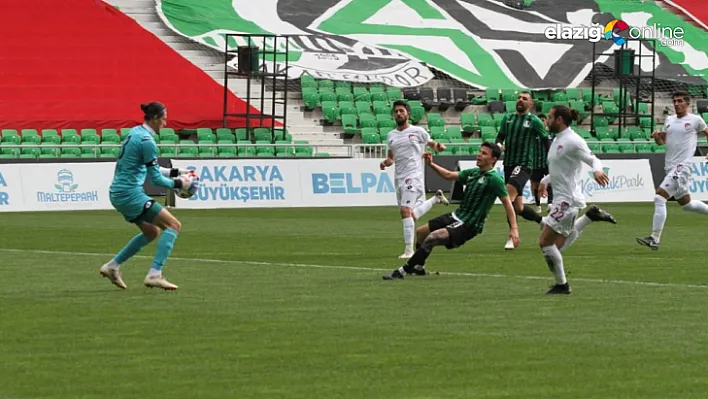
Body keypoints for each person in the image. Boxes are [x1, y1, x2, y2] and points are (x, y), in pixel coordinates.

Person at [383, 142, 520, 280]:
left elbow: (508, 204)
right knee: (421, 233)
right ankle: (419, 267)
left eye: (484, 153)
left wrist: (513, 229)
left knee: (433, 237)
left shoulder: (495, 180)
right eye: (479, 151)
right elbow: (448, 175)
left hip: (469, 224)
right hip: (456, 215)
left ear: (493, 160)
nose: (479, 155)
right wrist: (431, 164)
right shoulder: (473, 172)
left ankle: (402, 271)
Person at [99, 102, 198, 291]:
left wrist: (177, 171)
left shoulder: (136, 133)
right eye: (164, 119)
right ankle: (155, 274)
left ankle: (112, 266)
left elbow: (147, 166)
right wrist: (179, 184)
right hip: (129, 194)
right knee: (174, 225)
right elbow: (155, 178)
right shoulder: (147, 141)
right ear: (154, 118)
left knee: (152, 232)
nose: (165, 123)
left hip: (119, 193)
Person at [537, 105, 617, 295]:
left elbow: (592, 159)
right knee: (555, 247)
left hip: (567, 200)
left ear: (559, 120)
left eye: (549, 117)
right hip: (561, 198)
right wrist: (545, 180)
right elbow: (561, 168)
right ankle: (590, 217)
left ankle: (562, 285)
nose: (546, 121)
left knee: (546, 243)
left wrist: (597, 170)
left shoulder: (573, 141)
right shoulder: (558, 139)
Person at [636, 91, 708, 250]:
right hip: (670, 165)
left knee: (659, 197)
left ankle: (654, 239)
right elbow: (662, 142)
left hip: (682, 166)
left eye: (680, 101)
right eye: (674, 101)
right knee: (686, 204)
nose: (676, 104)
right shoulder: (669, 120)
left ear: (687, 104)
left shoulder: (696, 120)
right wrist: (656, 136)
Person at [380, 100, 449, 259]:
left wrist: (438, 146)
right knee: (410, 215)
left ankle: (409, 250)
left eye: (401, 111)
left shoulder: (418, 131)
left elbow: (431, 143)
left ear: (408, 114)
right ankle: (435, 199)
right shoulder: (391, 136)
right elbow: (391, 158)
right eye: (396, 111)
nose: (398, 113)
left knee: (405, 211)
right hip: (399, 177)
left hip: (414, 176)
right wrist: (386, 163)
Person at [495, 91, 549, 250]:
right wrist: (498, 146)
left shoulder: (534, 121)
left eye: (525, 99)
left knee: (507, 197)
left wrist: (553, 161)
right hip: (509, 164)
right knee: (518, 207)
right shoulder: (508, 118)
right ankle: (542, 221)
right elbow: (499, 138)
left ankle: (512, 235)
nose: (520, 100)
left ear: (530, 104)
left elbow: (546, 142)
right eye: (519, 97)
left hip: (524, 165)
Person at [531, 113, 553, 214]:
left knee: (550, 182)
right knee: (535, 185)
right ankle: (538, 204)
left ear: (546, 122)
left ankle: (550, 203)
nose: (541, 122)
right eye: (539, 121)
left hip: (547, 163)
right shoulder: (533, 134)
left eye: (543, 120)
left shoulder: (551, 134)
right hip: (535, 163)